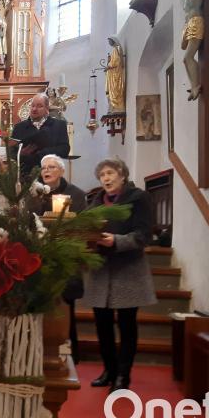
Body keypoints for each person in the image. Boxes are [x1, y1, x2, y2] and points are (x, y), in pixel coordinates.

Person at [81, 158, 157, 392]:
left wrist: (117, 240)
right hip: (100, 270)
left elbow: (145, 234)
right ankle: (109, 370)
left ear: (122, 175)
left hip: (128, 269)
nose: (106, 178)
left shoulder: (139, 198)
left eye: (111, 173)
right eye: (102, 174)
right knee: (102, 325)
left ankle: (123, 376)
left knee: (126, 325)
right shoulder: (94, 202)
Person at [28, 154, 87, 363]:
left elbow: (81, 225)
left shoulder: (76, 194)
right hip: (38, 258)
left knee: (65, 307)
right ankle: (39, 353)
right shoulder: (35, 194)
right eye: (44, 167)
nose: (47, 171)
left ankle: (71, 355)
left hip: (64, 257)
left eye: (52, 167)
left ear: (61, 171)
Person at [9, 93, 70, 176]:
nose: (34, 109)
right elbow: (11, 153)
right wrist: (21, 153)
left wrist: (43, 153)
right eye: (32, 106)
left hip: (51, 173)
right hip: (26, 175)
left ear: (47, 108)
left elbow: (64, 149)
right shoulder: (19, 127)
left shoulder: (59, 125)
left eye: (39, 106)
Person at [177, 0, 205, 100]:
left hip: (196, 22)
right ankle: (194, 86)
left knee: (188, 57)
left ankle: (196, 86)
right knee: (185, 60)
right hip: (190, 24)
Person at [105, 36, 126, 113]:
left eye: (109, 41)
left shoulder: (115, 49)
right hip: (114, 73)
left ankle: (116, 107)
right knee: (112, 91)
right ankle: (114, 107)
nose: (109, 43)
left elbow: (116, 61)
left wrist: (108, 66)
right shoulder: (117, 49)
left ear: (113, 41)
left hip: (115, 74)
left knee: (114, 91)